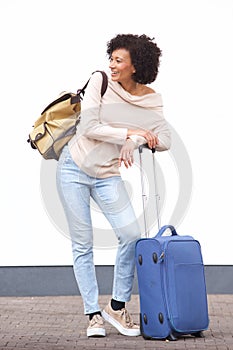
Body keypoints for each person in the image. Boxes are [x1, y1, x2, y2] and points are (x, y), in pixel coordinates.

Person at [56, 33, 171, 338]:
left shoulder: (151, 99)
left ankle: (116, 307)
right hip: (74, 167)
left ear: (136, 66)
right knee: (83, 244)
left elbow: (164, 139)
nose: (112, 64)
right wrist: (133, 131)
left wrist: (134, 140)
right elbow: (90, 128)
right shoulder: (100, 80)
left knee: (131, 234)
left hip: (107, 174)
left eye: (119, 60)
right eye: (112, 58)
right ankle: (93, 314)